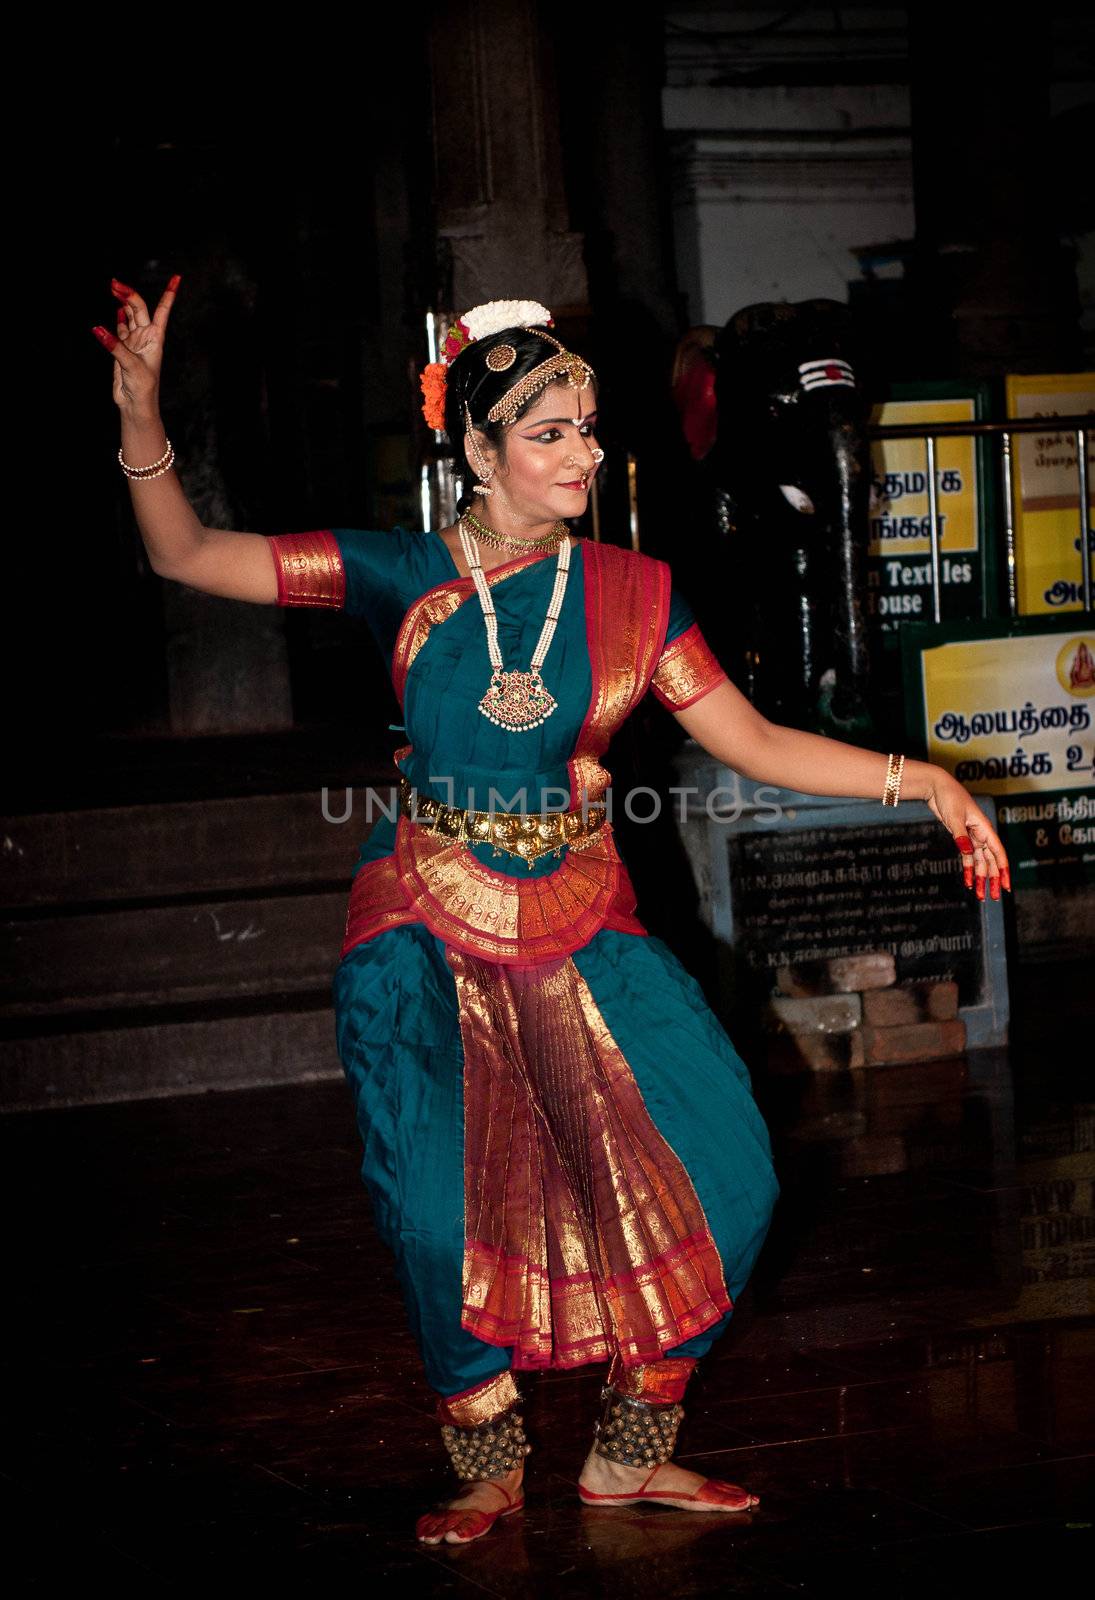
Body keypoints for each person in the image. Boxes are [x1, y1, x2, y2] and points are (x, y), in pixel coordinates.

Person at [93, 279, 1012, 1546]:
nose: (584, 451)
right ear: (474, 450)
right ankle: (484, 1455)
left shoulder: (635, 590)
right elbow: (183, 555)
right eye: (550, 432)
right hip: (422, 915)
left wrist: (933, 784)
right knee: (434, 1203)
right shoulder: (397, 573)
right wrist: (142, 413)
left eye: (587, 426)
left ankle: (631, 1455)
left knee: (730, 1169)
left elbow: (748, 738)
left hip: (583, 911)